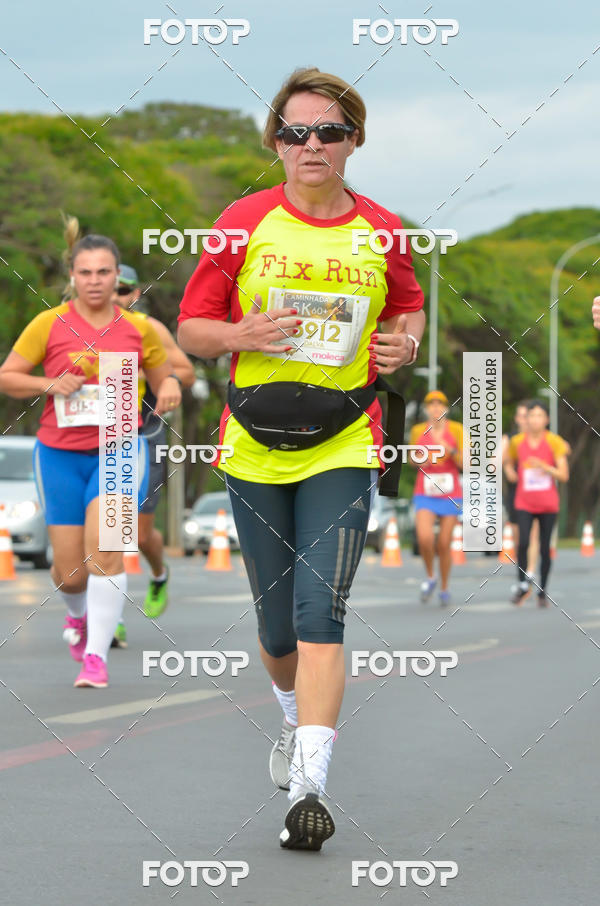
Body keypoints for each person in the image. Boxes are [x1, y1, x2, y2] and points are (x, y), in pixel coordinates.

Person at [177, 67, 425, 850]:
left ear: (353, 139)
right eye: (295, 131)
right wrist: (238, 336)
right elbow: (191, 327)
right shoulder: (242, 221)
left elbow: (409, 308)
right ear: (275, 143)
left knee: (323, 614)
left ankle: (309, 791)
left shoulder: (383, 229)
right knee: (277, 628)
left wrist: (404, 344)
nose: (311, 145)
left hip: (345, 442)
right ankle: (289, 718)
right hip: (252, 445)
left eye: (328, 131)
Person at [0, 233, 176, 687]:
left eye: (103, 272)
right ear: (72, 277)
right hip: (59, 453)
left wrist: (170, 386)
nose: (94, 281)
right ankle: (77, 616)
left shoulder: (140, 329)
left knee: (107, 554)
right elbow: (9, 377)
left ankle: (95, 658)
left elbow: (165, 374)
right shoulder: (48, 323)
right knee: (71, 573)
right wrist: (48, 383)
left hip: (119, 448)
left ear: (117, 276)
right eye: (85, 273)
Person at [111, 264, 195, 647]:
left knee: (140, 533)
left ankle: (158, 573)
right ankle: (108, 618)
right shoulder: (75, 325)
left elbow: (185, 371)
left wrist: (165, 380)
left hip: (144, 436)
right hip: (96, 441)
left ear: (136, 293)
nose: (115, 297)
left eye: (124, 290)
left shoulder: (149, 329)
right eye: (109, 289)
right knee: (108, 530)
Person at [503, 399, 569, 606]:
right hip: (524, 501)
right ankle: (523, 583)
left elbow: (564, 475)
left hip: (548, 503)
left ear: (547, 420)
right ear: (526, 419)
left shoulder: (554, 442)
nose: (535, 420)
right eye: (531, 415)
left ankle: (543, 590)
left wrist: (545, 466)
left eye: (540, 415)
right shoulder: (517, 441)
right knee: (522, 542)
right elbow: (509, 459)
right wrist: (510, 471)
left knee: (543, 547)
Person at [409, 391, 463, 607]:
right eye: (431, 405)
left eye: (439, 404)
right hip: (426, 491)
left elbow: (465, 462)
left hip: (450, 493)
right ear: (426, 409)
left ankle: (444, 587)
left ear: (446, 409)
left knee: (443, 543)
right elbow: (412, 458)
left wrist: (450, 449)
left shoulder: (457, 429)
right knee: (424, 538)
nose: (435, 408)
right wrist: (420, 460)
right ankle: (431, 576)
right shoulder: (417, 430)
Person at [501, 401, 539, 575]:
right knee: (520, 538)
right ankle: (523, 571)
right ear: (517, 419)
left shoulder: (541, 438)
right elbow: (497, 461)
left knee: (533, 534)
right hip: (516, 493)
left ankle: (530, 572)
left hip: (537, 493)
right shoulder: (509, 438)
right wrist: (507, 469)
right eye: (522, 416)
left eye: (528, 416)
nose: (525, 420)